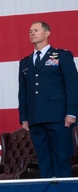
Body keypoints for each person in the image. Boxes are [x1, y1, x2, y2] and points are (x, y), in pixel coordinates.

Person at [18, 21, 78, 178]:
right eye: (30, 31)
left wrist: (71, 112)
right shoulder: (25, 62)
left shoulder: (62, 56)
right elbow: (23, 92)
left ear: (47, 33)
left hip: (58, 117)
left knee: (61, 159)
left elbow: (72, 85)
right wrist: (24, 116)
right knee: (43, 161)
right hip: (35, 117)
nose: (32, 33)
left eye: (36, 30)